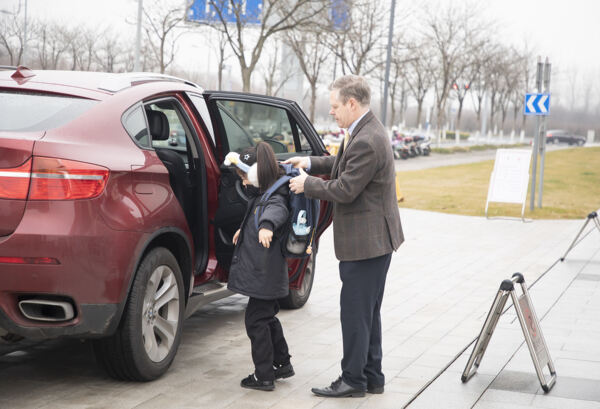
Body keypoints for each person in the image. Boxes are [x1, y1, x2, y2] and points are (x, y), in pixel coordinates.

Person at [286, 75, 404, 398]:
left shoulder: (367, 139)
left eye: (335, 107)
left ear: (352, 104)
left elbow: (345, 188)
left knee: (354, 312)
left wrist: (305, 184)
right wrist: (309, 162)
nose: (332, 113)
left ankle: (353, 379)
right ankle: (371, 376)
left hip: (367, 243)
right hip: (375, 241)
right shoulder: (364, 130)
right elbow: (342, 165)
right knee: (367, 311)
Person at [226, 142, 295, 392]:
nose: (243, 182)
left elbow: (277, 211)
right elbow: (256, 212)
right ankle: (282, 363)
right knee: (266, 318)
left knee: (255, 321)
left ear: (257, 173)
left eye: (245, 176)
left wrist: (266, 226)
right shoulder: (264, 193)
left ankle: (264, 375)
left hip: (265, 276)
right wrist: (243, 231)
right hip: (267, 276)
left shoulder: (275, 196)